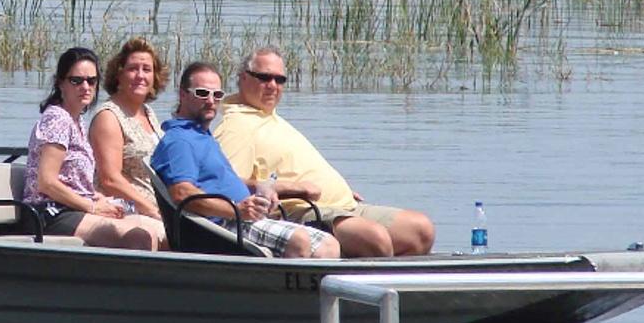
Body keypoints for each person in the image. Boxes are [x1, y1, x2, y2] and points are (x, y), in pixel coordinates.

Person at [211, 47, 436, 257]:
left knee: (420, 231)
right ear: (243, 78)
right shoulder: (236, 125)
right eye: (264, 77)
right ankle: (353, 289)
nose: (273, 85)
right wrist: (293, 189)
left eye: (280, 79)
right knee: (376, 240)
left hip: (344, 204)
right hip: (303, 212)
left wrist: (338, 188)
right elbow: (226, 185)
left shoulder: (268, 116)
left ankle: (385, 287)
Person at [149, 62, 340, 259]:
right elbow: (182, 193)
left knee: (328, 244)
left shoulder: (202, 135)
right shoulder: (179, 140)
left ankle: (312, 289)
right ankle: (282, 289)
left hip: (242, 218)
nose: (210, 100)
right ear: (183, 94)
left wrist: (259, 187)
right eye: (202, 93)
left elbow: (217, 180)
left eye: (217, 95)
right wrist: (238, 210)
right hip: (222, 225)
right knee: (299, 240)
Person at [22, 48, 166, 250]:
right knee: (139, 237)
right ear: (60, 82)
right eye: (76, 80)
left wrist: (99, 200)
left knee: (159, 231)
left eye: (91, 81)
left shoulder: (78, 121)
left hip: (75, 208)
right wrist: (91, 206)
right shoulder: (57, 119)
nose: (85, 87)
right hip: (49, 213)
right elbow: (47, 183)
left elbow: (73, 182)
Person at [87, 36, 166, 221]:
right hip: (125, 210)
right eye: (132, 69)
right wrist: (153, 211)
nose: (140, 75)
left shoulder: (148, 113)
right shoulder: (109, 117)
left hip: (158, 207)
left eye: (146, 69)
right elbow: (110, 180)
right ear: (119, 75)